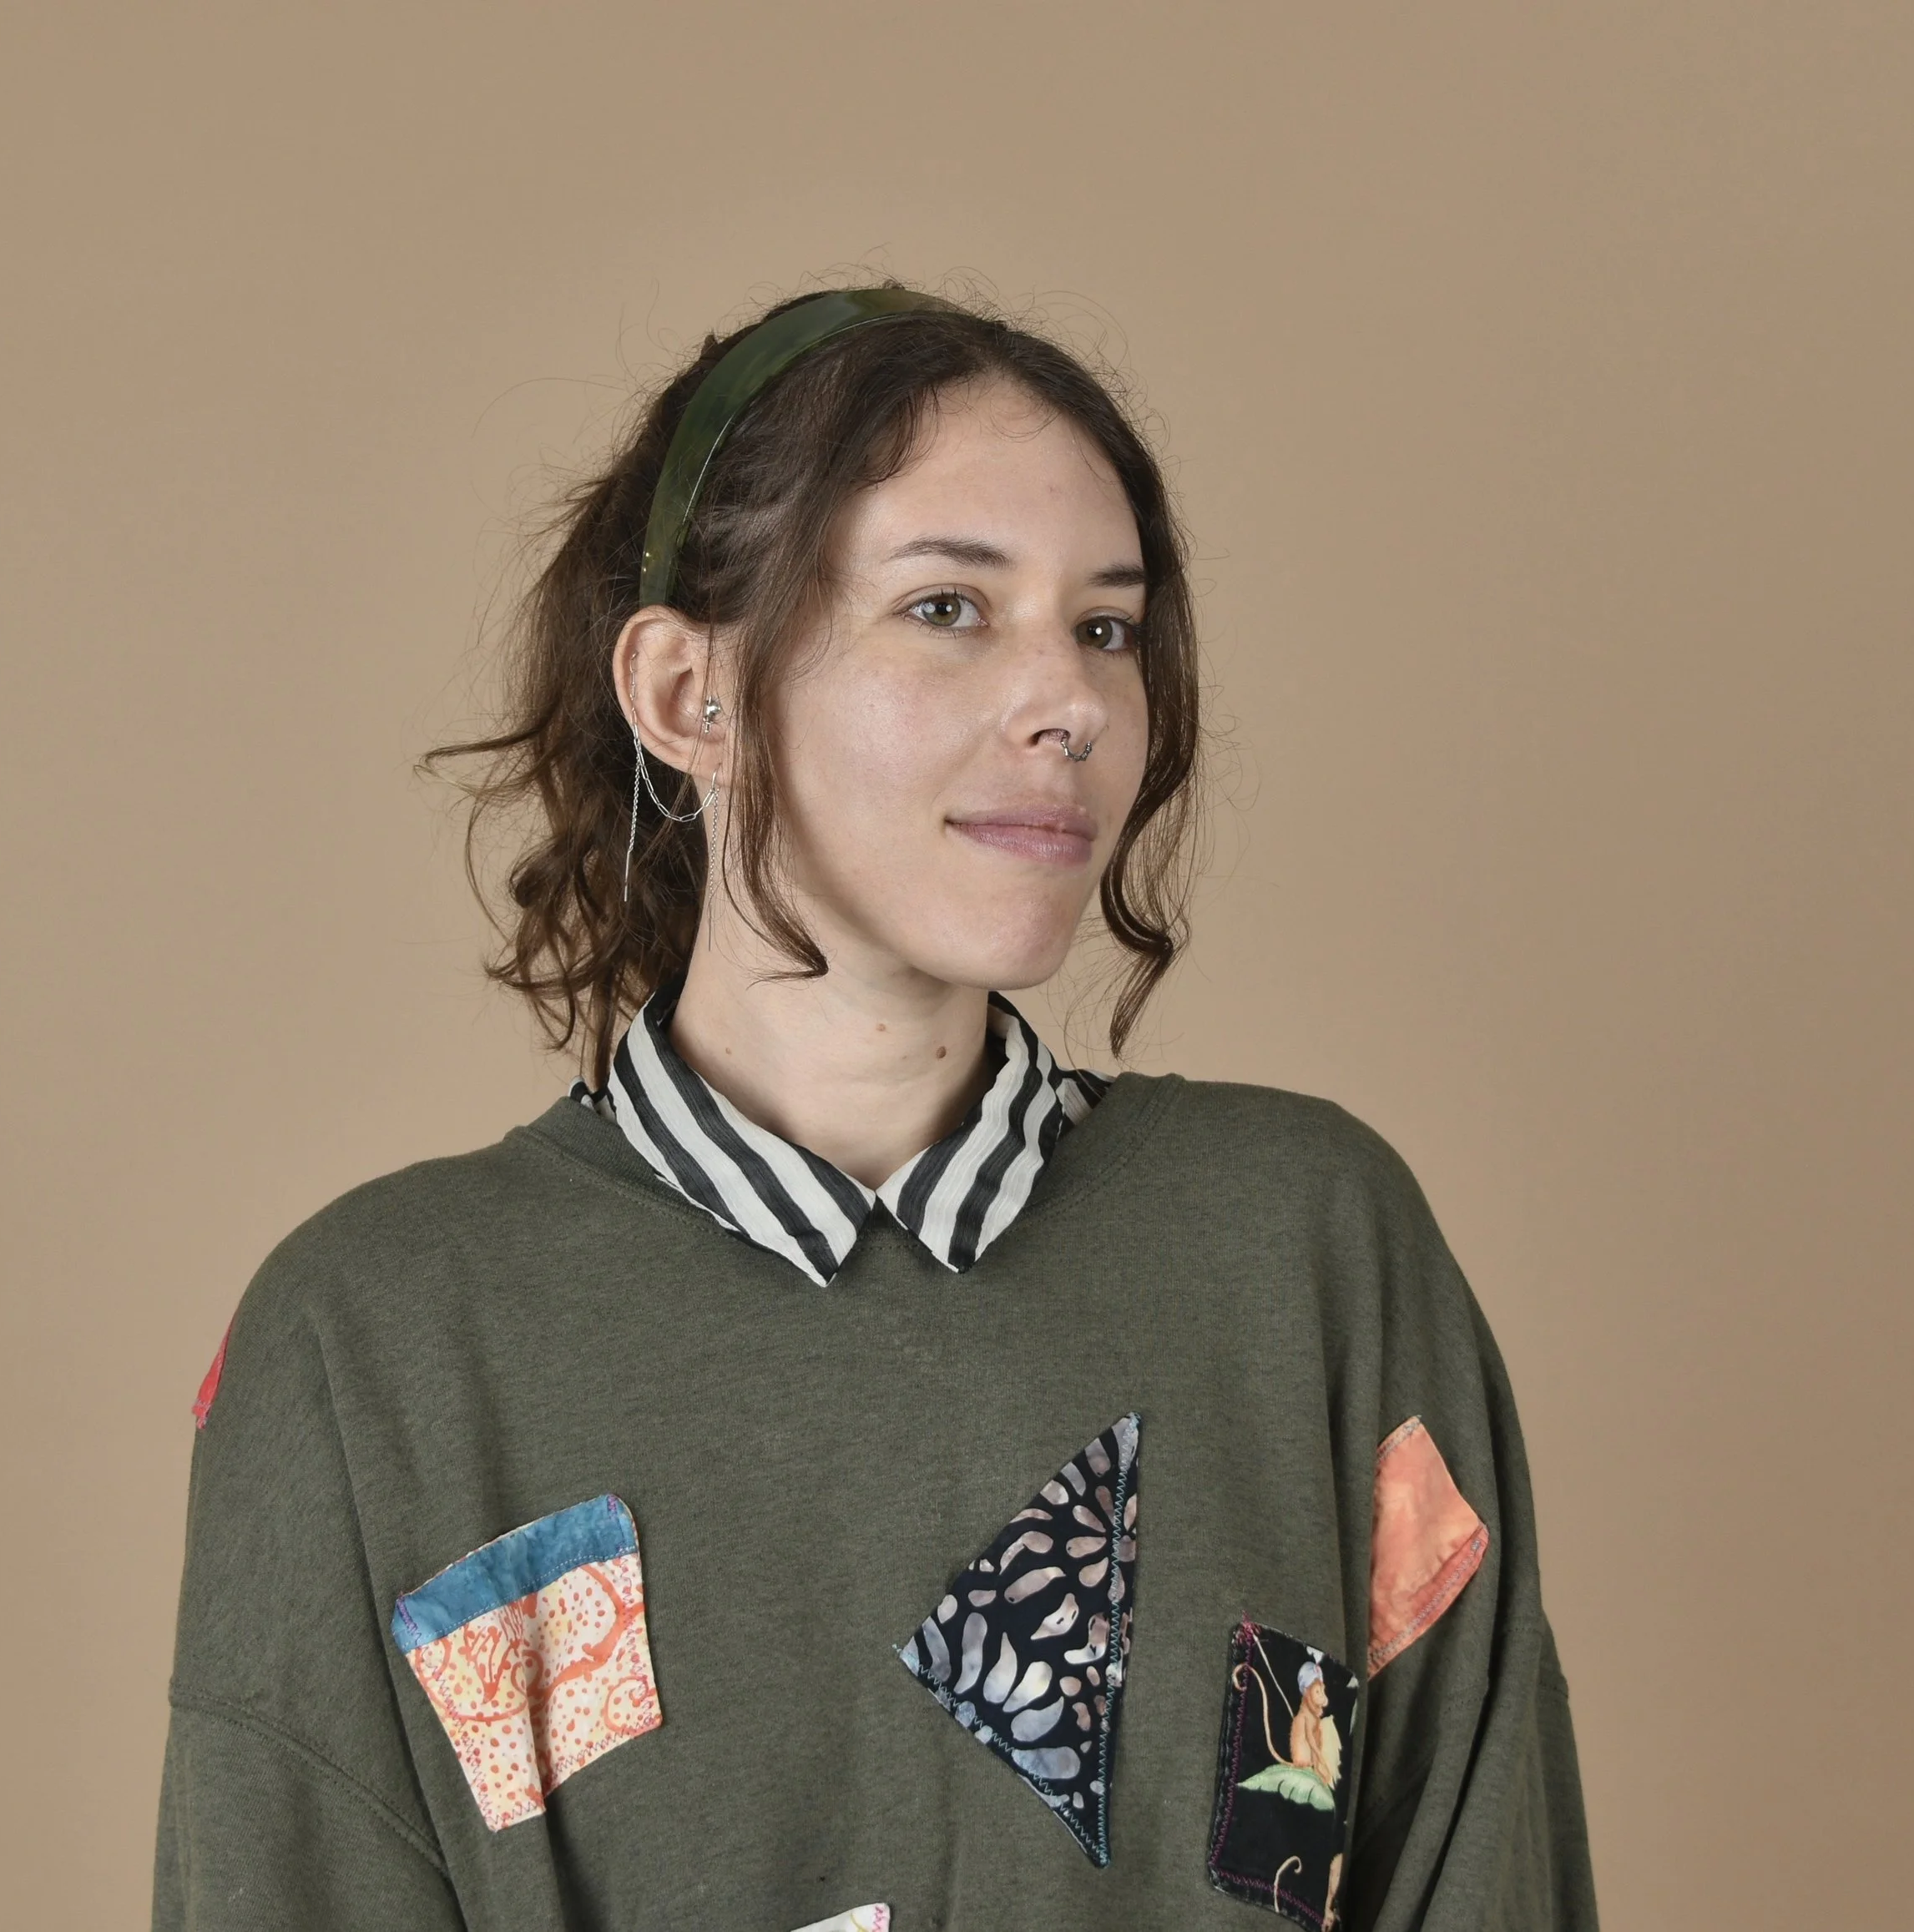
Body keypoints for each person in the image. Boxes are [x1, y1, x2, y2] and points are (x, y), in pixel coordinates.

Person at [154, 286, 1597, 1932]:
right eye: (948, 608)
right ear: (688, 693)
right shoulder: (378, 1341)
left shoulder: (1304, 1253)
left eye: (1105, 627)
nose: (1069, 702)